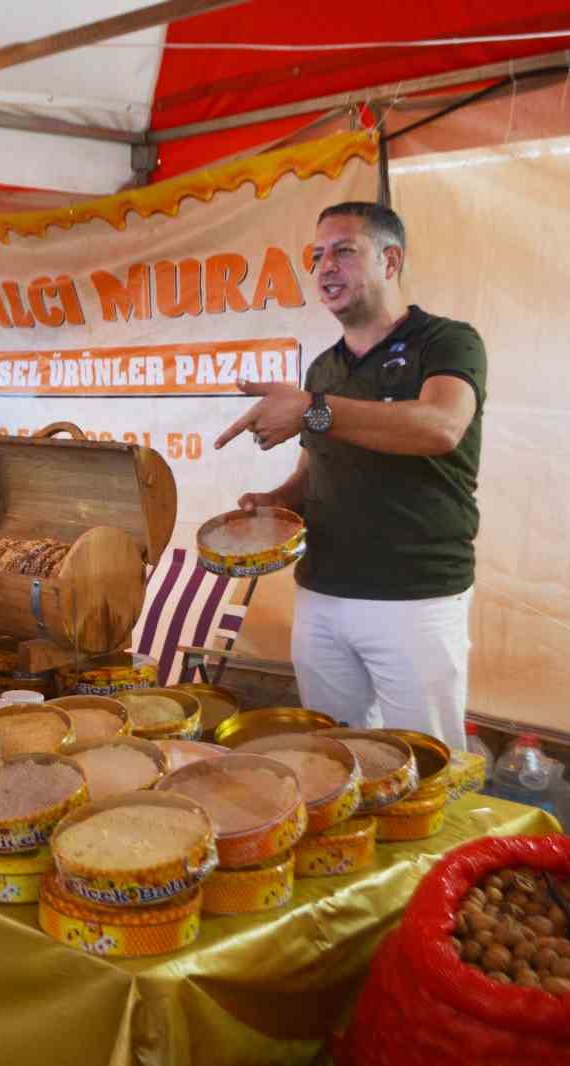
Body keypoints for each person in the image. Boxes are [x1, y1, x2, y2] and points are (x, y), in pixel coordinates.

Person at [216, 202, 485, 751]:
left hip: (415, 598)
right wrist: (277, 501)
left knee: (426, 763)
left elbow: (439, 427)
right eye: (317, 257)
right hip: (322, 594)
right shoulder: (324, 368)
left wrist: (313, 408)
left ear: (390, 260)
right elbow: (316, 467)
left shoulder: (447, 341)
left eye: (343, 251)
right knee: (332, 756)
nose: (325, 268)